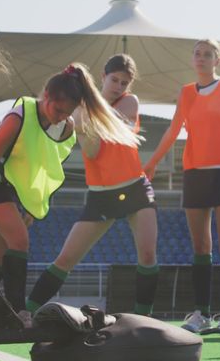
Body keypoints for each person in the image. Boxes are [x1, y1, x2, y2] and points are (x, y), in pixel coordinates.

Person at [0, 63, 138, 321]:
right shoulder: (19, 116)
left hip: (10, 187)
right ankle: (18, 313)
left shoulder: (65, 126)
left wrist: (31, 205)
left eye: (67, 112)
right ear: (45, 96)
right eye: (57, 109)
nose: (60, 116)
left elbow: (44, 168)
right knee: (20, 241)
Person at [24, 55, 159, 315]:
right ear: (103, 77)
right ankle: (25, 311)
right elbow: (93, 151)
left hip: (136, 188)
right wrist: (81, 119)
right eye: (115, 79)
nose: (119, 86)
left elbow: (116, 124)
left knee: (148, 255)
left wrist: (85, 117)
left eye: (124, 82)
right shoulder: (79, 110)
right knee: (66, 259)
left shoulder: (128, 102)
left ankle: (145, 319)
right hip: (101, 195)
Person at [144, 39, 220, 333]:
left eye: (208, 54)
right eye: (197, 54)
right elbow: (173, 128)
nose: (202, 58)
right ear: (192, 60)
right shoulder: (186, 92)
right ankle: (201, 313)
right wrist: (152, 161)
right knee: (200, 246)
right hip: (194, 173)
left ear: (217, 61)